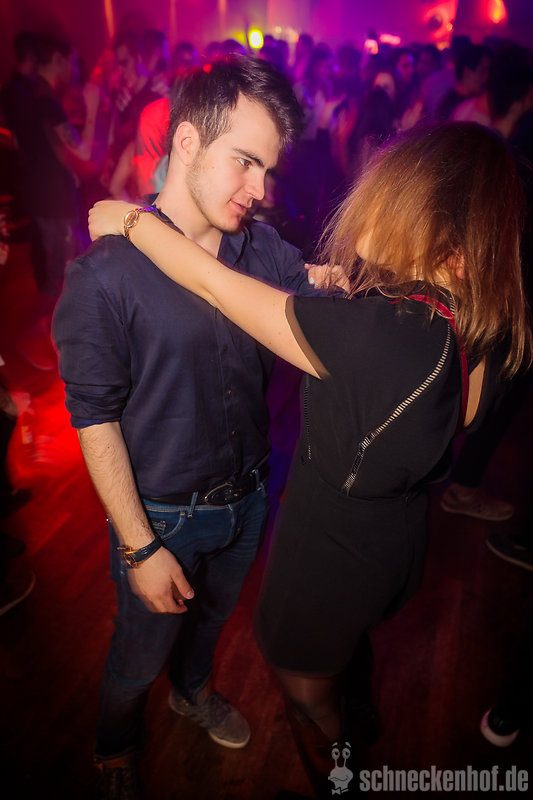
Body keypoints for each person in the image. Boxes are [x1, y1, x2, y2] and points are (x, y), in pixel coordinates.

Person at [88, 122, 532, 799]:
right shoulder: (483, 323)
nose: (366, 207)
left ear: (432, 227)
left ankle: (339, 777)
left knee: (305, 691)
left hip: (329, 554)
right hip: (394, 539)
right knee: (344, 651)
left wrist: (130, 219)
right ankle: (357, 710)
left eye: (386, 196)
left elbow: (214, 285)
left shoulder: (380, 337)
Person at [53, 55, 318, 800]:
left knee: (208, 625)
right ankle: (114, 747)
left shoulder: (258, 247)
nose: (259, 189)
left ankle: (192, 692)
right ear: (188, 142)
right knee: (138, 652)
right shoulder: (104, 275)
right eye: (246, 161)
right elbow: (94, 419)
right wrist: (140, 546)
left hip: (250, 497)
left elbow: (311, 297)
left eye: (267, 169)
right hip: (164, 515)